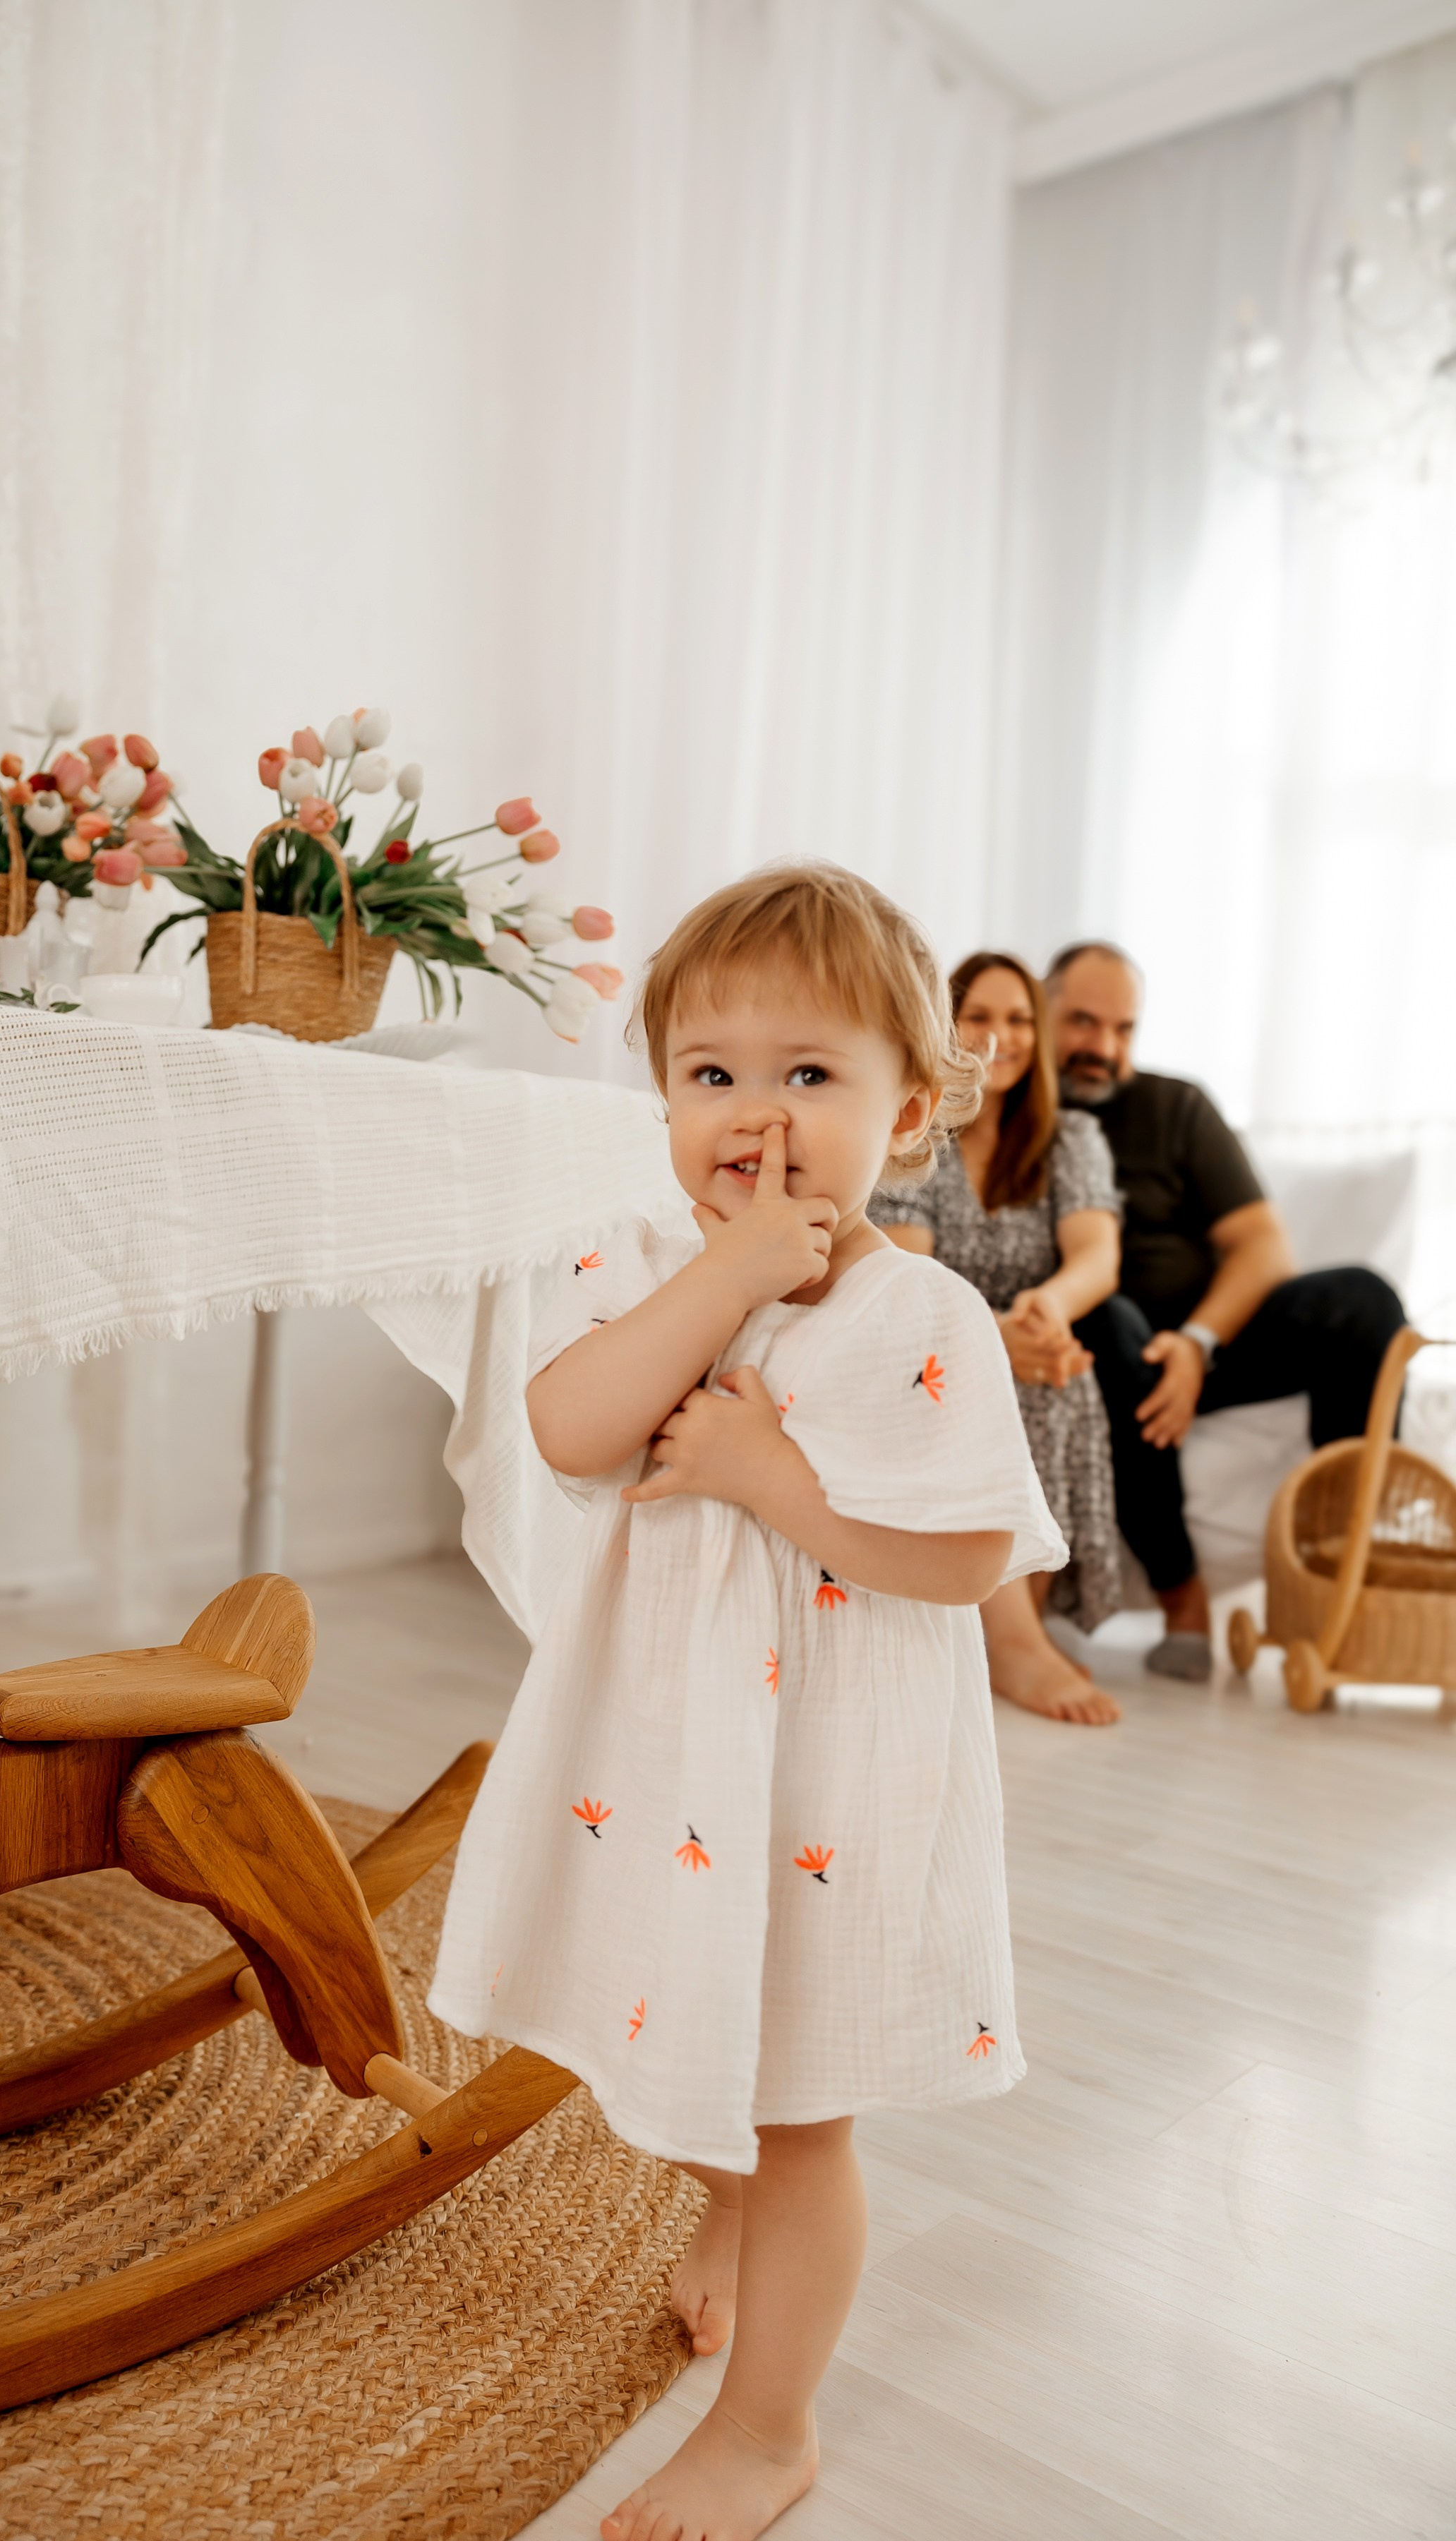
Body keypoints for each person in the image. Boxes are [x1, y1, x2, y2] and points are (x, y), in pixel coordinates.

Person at [430, 865, 1066, 2541]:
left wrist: (773, 1480)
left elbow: (963, 1557)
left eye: (808, 1075)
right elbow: (570, 1429)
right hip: (667, 1757)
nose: (753, 1116)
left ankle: (765, 2425)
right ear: (659, 1096)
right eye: (710, 1073)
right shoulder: (636, 1262)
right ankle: (720, 2213)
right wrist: (717, 1284)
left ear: (906, 1109)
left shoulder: (917, 1314)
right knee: (690, 2013)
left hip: (827, 1783)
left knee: (798, 2103)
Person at [1045, 942, 1406, 1680]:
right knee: (1110, 1323)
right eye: (1083, 1022)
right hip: (1110, 1346)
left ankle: (1345, 1567)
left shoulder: (1177, 1106)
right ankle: (1184, 1598)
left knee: (1362, 1299)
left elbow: (1264, 1247)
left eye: (1123, 1030)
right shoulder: (1015, 1123)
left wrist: (1199, 1343)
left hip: (1211, 1343)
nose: (1103, 1048)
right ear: (1041, 1012)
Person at [873, 951, 1122, 1726]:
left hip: (1026, 1336)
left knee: (1061, 1371)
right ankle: (1010, 1640)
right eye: (979, 1016)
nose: (999, 1036)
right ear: (944, 1027)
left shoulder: (1070, 1136)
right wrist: (990, 1336)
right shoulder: (913, 1125)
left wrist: (1044, 1310)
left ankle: (1017, 1624)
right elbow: (908, 1273)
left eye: (1018, 1020)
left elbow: (1096, 1256)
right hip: (928, 1333)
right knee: (974, 1376)